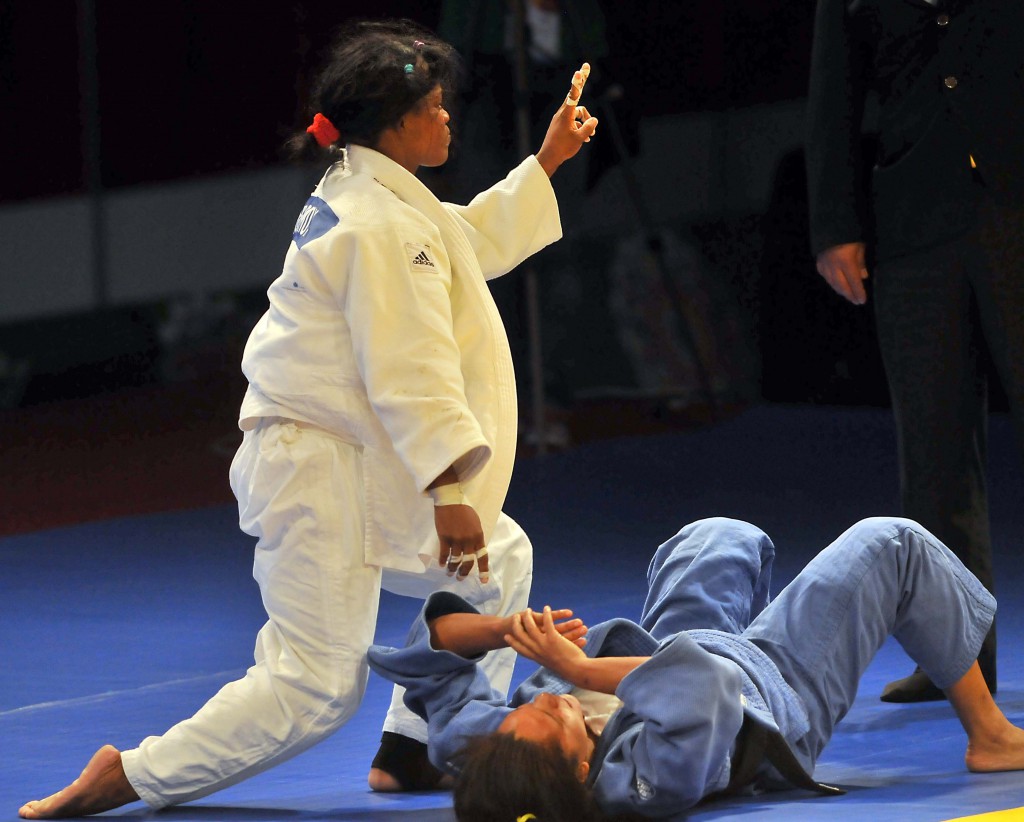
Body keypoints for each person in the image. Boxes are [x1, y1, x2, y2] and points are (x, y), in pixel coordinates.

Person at [17, 19, 598, 821]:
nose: (446, 119)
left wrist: (548, 163)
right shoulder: (374, 224)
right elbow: (411, 368)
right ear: (393, 125)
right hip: (318, 471)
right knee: (318, 685)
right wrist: (451, 489)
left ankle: (417, 745)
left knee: (499, 556)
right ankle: (133, 773)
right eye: (433, 107)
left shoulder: (382, 199)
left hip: (354, 457)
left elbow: (462, 243)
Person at [367, 516, 1024, 820]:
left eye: (526, 710)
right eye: (550, 715)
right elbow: (706, 687)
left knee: (714, 536)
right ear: (575, 768)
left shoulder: (494, 755)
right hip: (773, 686)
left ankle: (767, 617)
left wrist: (501, 630)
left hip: (679, 644)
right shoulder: (648, 783)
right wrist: (576, 667)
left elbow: (430, 662)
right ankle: (990, 736)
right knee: (892, 545)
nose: (537, 700)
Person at [805, 1, 1024, 701]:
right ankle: (957, 662)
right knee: (933, 452)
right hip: (913, 213)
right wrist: (834, 223)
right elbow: (833, 91)